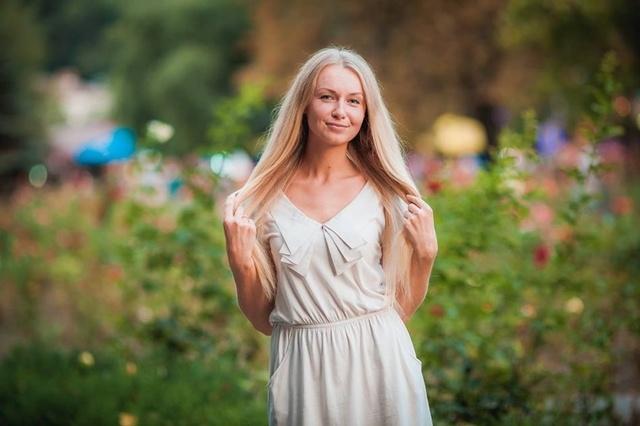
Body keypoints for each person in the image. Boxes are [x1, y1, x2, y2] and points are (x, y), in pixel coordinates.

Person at [223, 46, 437, 426]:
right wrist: (241, 264)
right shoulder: (264, 199)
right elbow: (262, 319)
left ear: (366, 113)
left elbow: (402, 307)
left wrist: (425, 254)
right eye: (327, 97)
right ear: (304, 105)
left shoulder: (385, 193)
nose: (341, 111)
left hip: (380, 362)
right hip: (302, 369)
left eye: (354, 101)